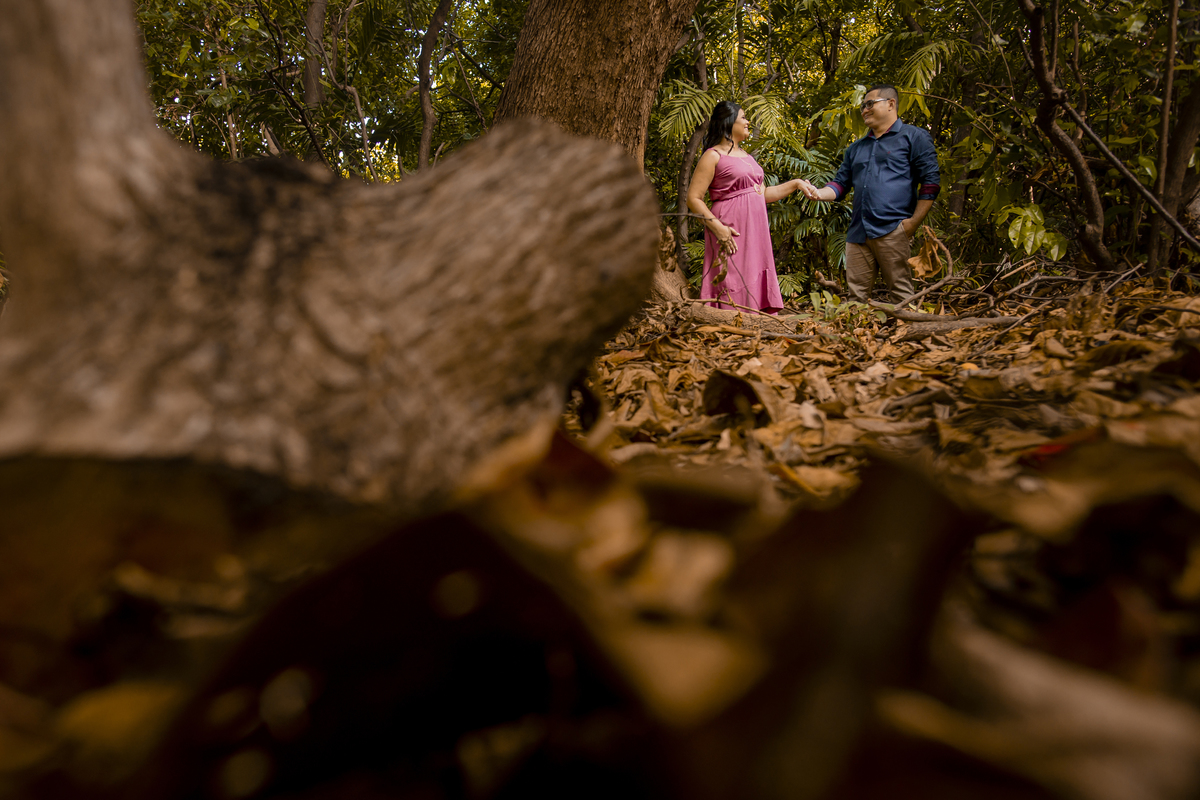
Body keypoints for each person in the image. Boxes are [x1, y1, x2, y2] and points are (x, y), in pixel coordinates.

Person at [798, 84, 940, 303]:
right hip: (858, 233)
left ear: (891, 104)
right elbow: (840, 185)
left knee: (902, 296)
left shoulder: (914, 137)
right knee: (856, 300)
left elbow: (930, 184)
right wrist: (818, 193)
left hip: (893, 228)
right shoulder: (856, 148)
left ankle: (910, 334)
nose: (864, 109)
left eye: (870, 103)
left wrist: (912, 224)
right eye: (863, 105)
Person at [687, 101, 803, 314]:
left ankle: (756, 325)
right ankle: (730, 325)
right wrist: (718, 228)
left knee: (752, 273)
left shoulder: (748, 157)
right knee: (731, 276)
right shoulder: (713, 155)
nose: (748, 122)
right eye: (743, 117)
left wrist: (796, 184)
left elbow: (763, 194)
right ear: (728, 123)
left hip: (756, 229)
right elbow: (694, 198)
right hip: (729, 226)